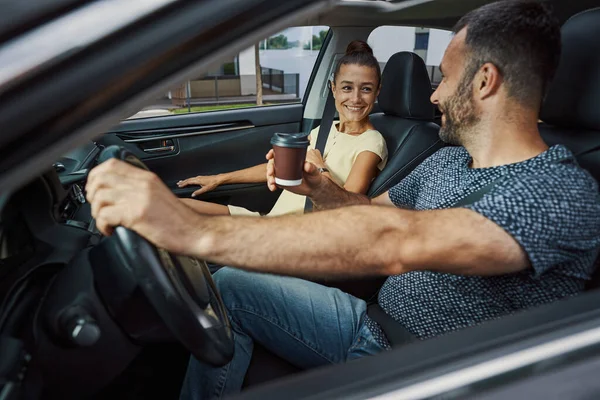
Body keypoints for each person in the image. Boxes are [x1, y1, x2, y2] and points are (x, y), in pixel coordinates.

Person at [85, 1, 600, 399]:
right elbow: (374, 215)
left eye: (444, 76)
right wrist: (321, 190)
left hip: (429, 365)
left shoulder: (558, 192)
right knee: (235, 289)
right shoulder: (447, 161)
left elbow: (397, 240)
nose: (435, 94)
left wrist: (191, 230)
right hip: (371, 322)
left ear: (485, 82)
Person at [176, 41, 388, 217]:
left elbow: (348, 208)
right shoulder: (324, 130)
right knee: (177, 209)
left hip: (300, 234)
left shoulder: (371, 142)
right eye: (347, 87)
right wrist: (220, 178)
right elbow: (279, 169)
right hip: (271, 222)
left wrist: (320, 168)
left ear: (377, 91)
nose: (356, 98)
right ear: (333, 89)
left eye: (366, 89)